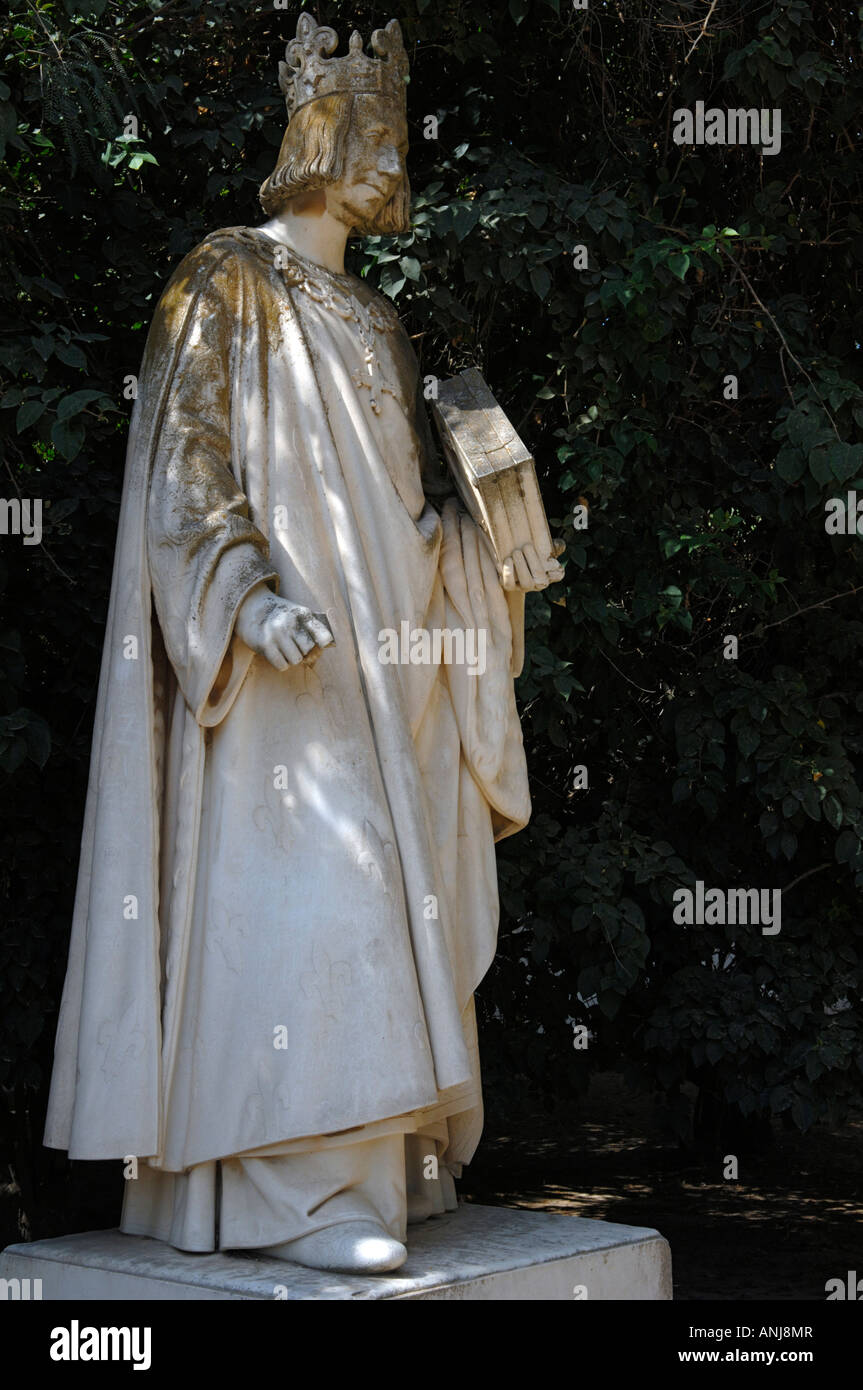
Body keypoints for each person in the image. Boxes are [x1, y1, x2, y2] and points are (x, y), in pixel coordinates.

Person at [44, 13, 562, 1274]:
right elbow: (186, 471)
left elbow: (396, 523)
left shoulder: (383, 324)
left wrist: (482, 544)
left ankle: (371, 1169)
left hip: (379, 673)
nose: (392, 158)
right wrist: (243, 595)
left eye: (398, 134)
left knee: (381, 911)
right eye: (372, 129)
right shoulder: (222, 277)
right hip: (272, 673)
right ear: (314, 129)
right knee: (305, 908)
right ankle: (294, 1194)